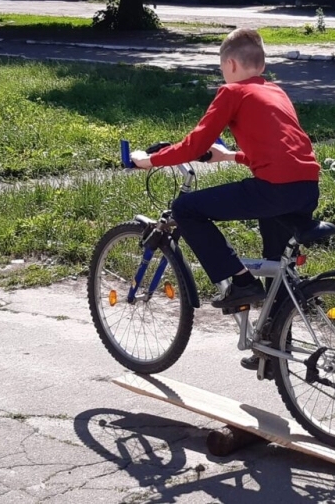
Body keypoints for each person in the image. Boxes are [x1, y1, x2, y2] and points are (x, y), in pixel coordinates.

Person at [130, 27, 320, 319]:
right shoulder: (275, 91)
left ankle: (242, 282)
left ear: (230, 64)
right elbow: (282, 152)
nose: (222, 74)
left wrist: (150, 160)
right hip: (306, 188)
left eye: (221, 67)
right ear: (262, 65)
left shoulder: (233, 91)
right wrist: (231, 156)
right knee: (278, 267)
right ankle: (273, 354)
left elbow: (195, 145)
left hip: (274, 190)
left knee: (185, 208)